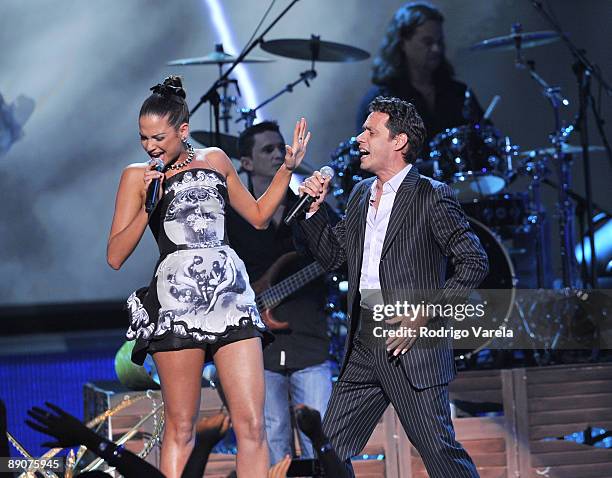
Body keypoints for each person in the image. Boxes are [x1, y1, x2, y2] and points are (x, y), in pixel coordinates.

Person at [107, 76, 310, 478]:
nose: (151, 146)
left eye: (159, 137)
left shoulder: (216, 159)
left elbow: (256, 216)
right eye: (143, 138)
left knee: (251, 424)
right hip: (177, 302)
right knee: (182, 428)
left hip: (230, 296)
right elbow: (115, 255)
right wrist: (148, 205)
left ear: (183, 131)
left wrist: (286, 171)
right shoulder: (136, 176)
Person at [298, 96, 488, 477]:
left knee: (439, 452)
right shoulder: (359, 194)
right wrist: (314, 210)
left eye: (370, 131)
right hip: (364, 339)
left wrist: (427, 313)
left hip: (410, 340)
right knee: (328, 452)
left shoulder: (430, 195)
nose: (359, 139)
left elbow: (475, 261)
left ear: (398, 141)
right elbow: (334, 257)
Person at [225, 121, 332, 465]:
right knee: (273, 442)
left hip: (308, 339)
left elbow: (336, 253)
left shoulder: (309, 207)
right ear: (246, 163)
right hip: (258, 346)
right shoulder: (230, 217)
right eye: (267, 150)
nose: (277, 154)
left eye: (280, 147)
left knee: (321, 438)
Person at [356, 2, 483, 158]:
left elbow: (485, 144)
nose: (436, 49)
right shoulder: (381, 102)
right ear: (402, 42)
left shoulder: (459, 93)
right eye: (428, 42)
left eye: (439, 42)